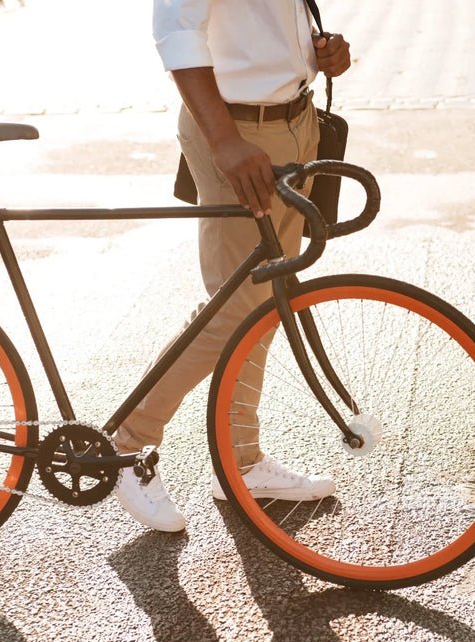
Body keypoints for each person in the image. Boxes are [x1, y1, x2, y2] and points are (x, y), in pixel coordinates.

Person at [111, 0, 352, 532]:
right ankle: (126, 444)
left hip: (296, 120)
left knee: (264, 298)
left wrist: (317, 51)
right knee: (234, 307)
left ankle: (239, 459)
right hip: (237, 133)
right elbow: (176, 26)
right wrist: (223, 141)